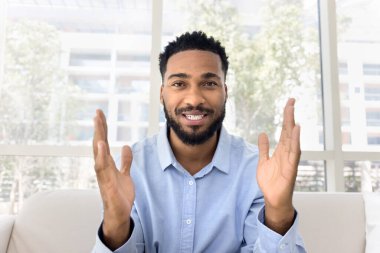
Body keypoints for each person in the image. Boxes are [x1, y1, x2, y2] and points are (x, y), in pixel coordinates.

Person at [92, 31, 306, 253]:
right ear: (162, 93)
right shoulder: (130, 169)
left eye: (209, 83)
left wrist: (278, 212)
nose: (194, 99)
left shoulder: (256, 171)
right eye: (179, 84)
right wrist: (116, 223)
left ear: (225, 92)